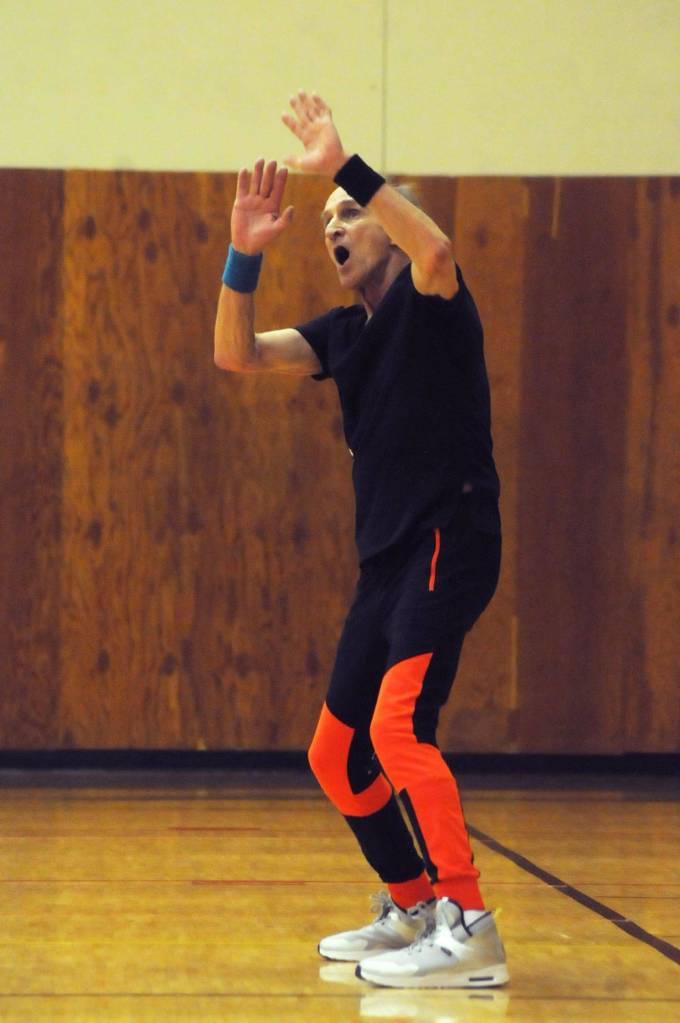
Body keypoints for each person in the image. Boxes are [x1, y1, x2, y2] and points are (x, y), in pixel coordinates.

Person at [214, 91, 508, 989]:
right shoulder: (344, 334)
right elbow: (237, 355)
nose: (337, 229)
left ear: (385, 224)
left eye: (352, 217)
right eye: (329, 222)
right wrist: (243, 255)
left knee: (395, 726)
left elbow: (437, 246)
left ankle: (468, 922)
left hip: (447, 538)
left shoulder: (434, 297)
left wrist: (345, 166)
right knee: (336, 753)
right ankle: (413, 902)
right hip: (384, 562)